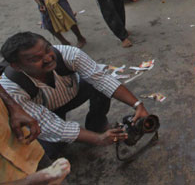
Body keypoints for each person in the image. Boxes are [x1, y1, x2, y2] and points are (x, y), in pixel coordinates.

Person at [0, 32, 151, 160]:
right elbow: (51, 126)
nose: (47, 58)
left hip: (71, 95)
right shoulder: (11, 88)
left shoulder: (68, 54)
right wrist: (97, 139)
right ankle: (89, 134)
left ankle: (96, 123)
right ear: (16, 66)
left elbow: (101, 79)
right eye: (35, 59)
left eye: (47, 49)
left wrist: (138, 105)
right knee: (52, 153)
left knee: (97, 81)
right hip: (44, 113)